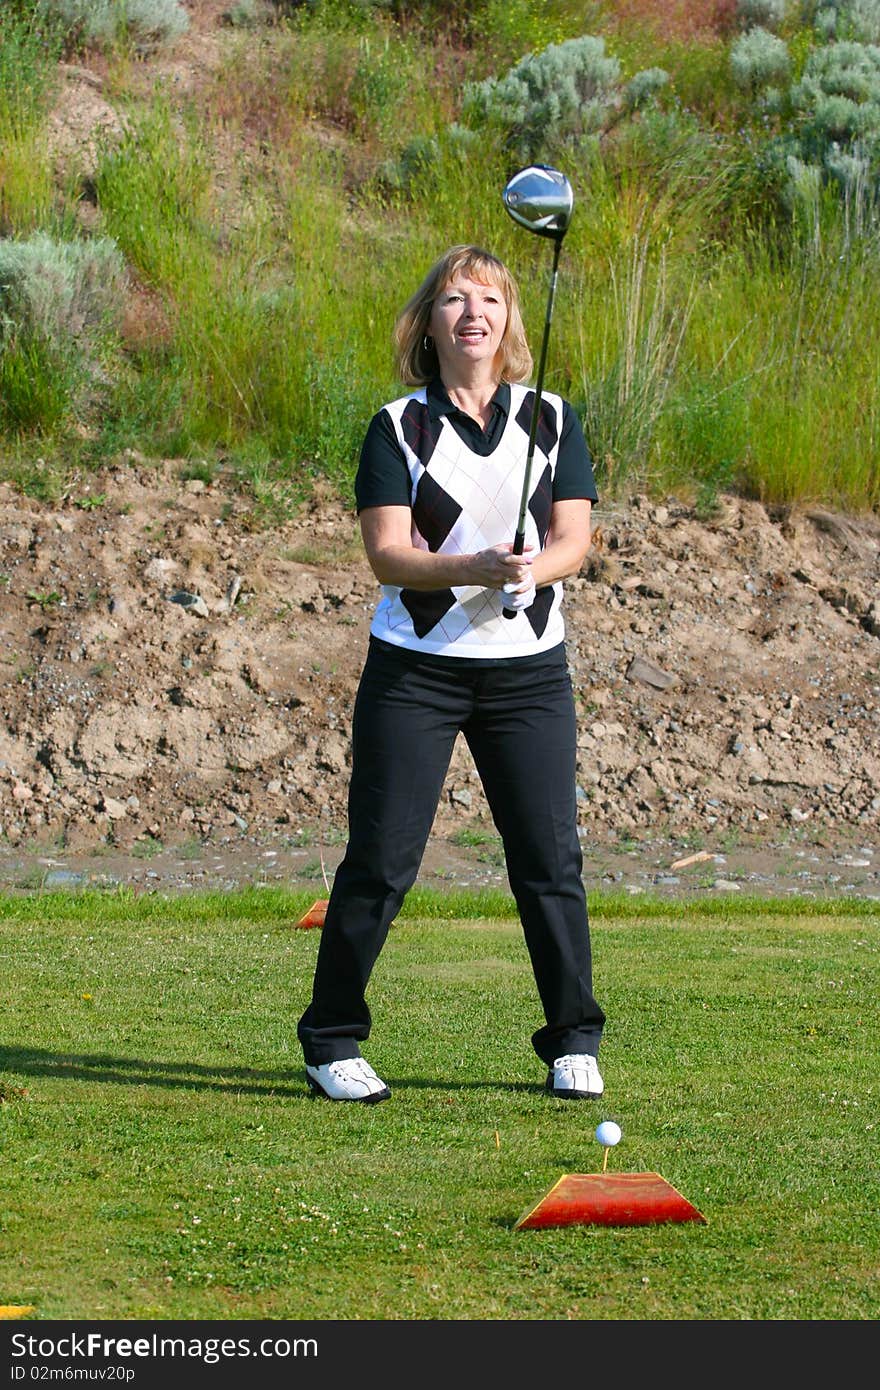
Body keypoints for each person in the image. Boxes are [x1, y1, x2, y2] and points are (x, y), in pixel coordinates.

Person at [297, 243, 606, 1103]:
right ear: (428, 323)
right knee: (383, 862)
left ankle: (572, 1040)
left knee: (549, 860)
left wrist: (528, 571)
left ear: (510, 321)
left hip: (528, 673)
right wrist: (472, 566)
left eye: (492, 300)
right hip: (418, 671)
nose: (474, 312)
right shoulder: (397, 427)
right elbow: (389, 557)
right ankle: (329, 1042)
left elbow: (573, 541)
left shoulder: (553, 417)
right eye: (455, 299)